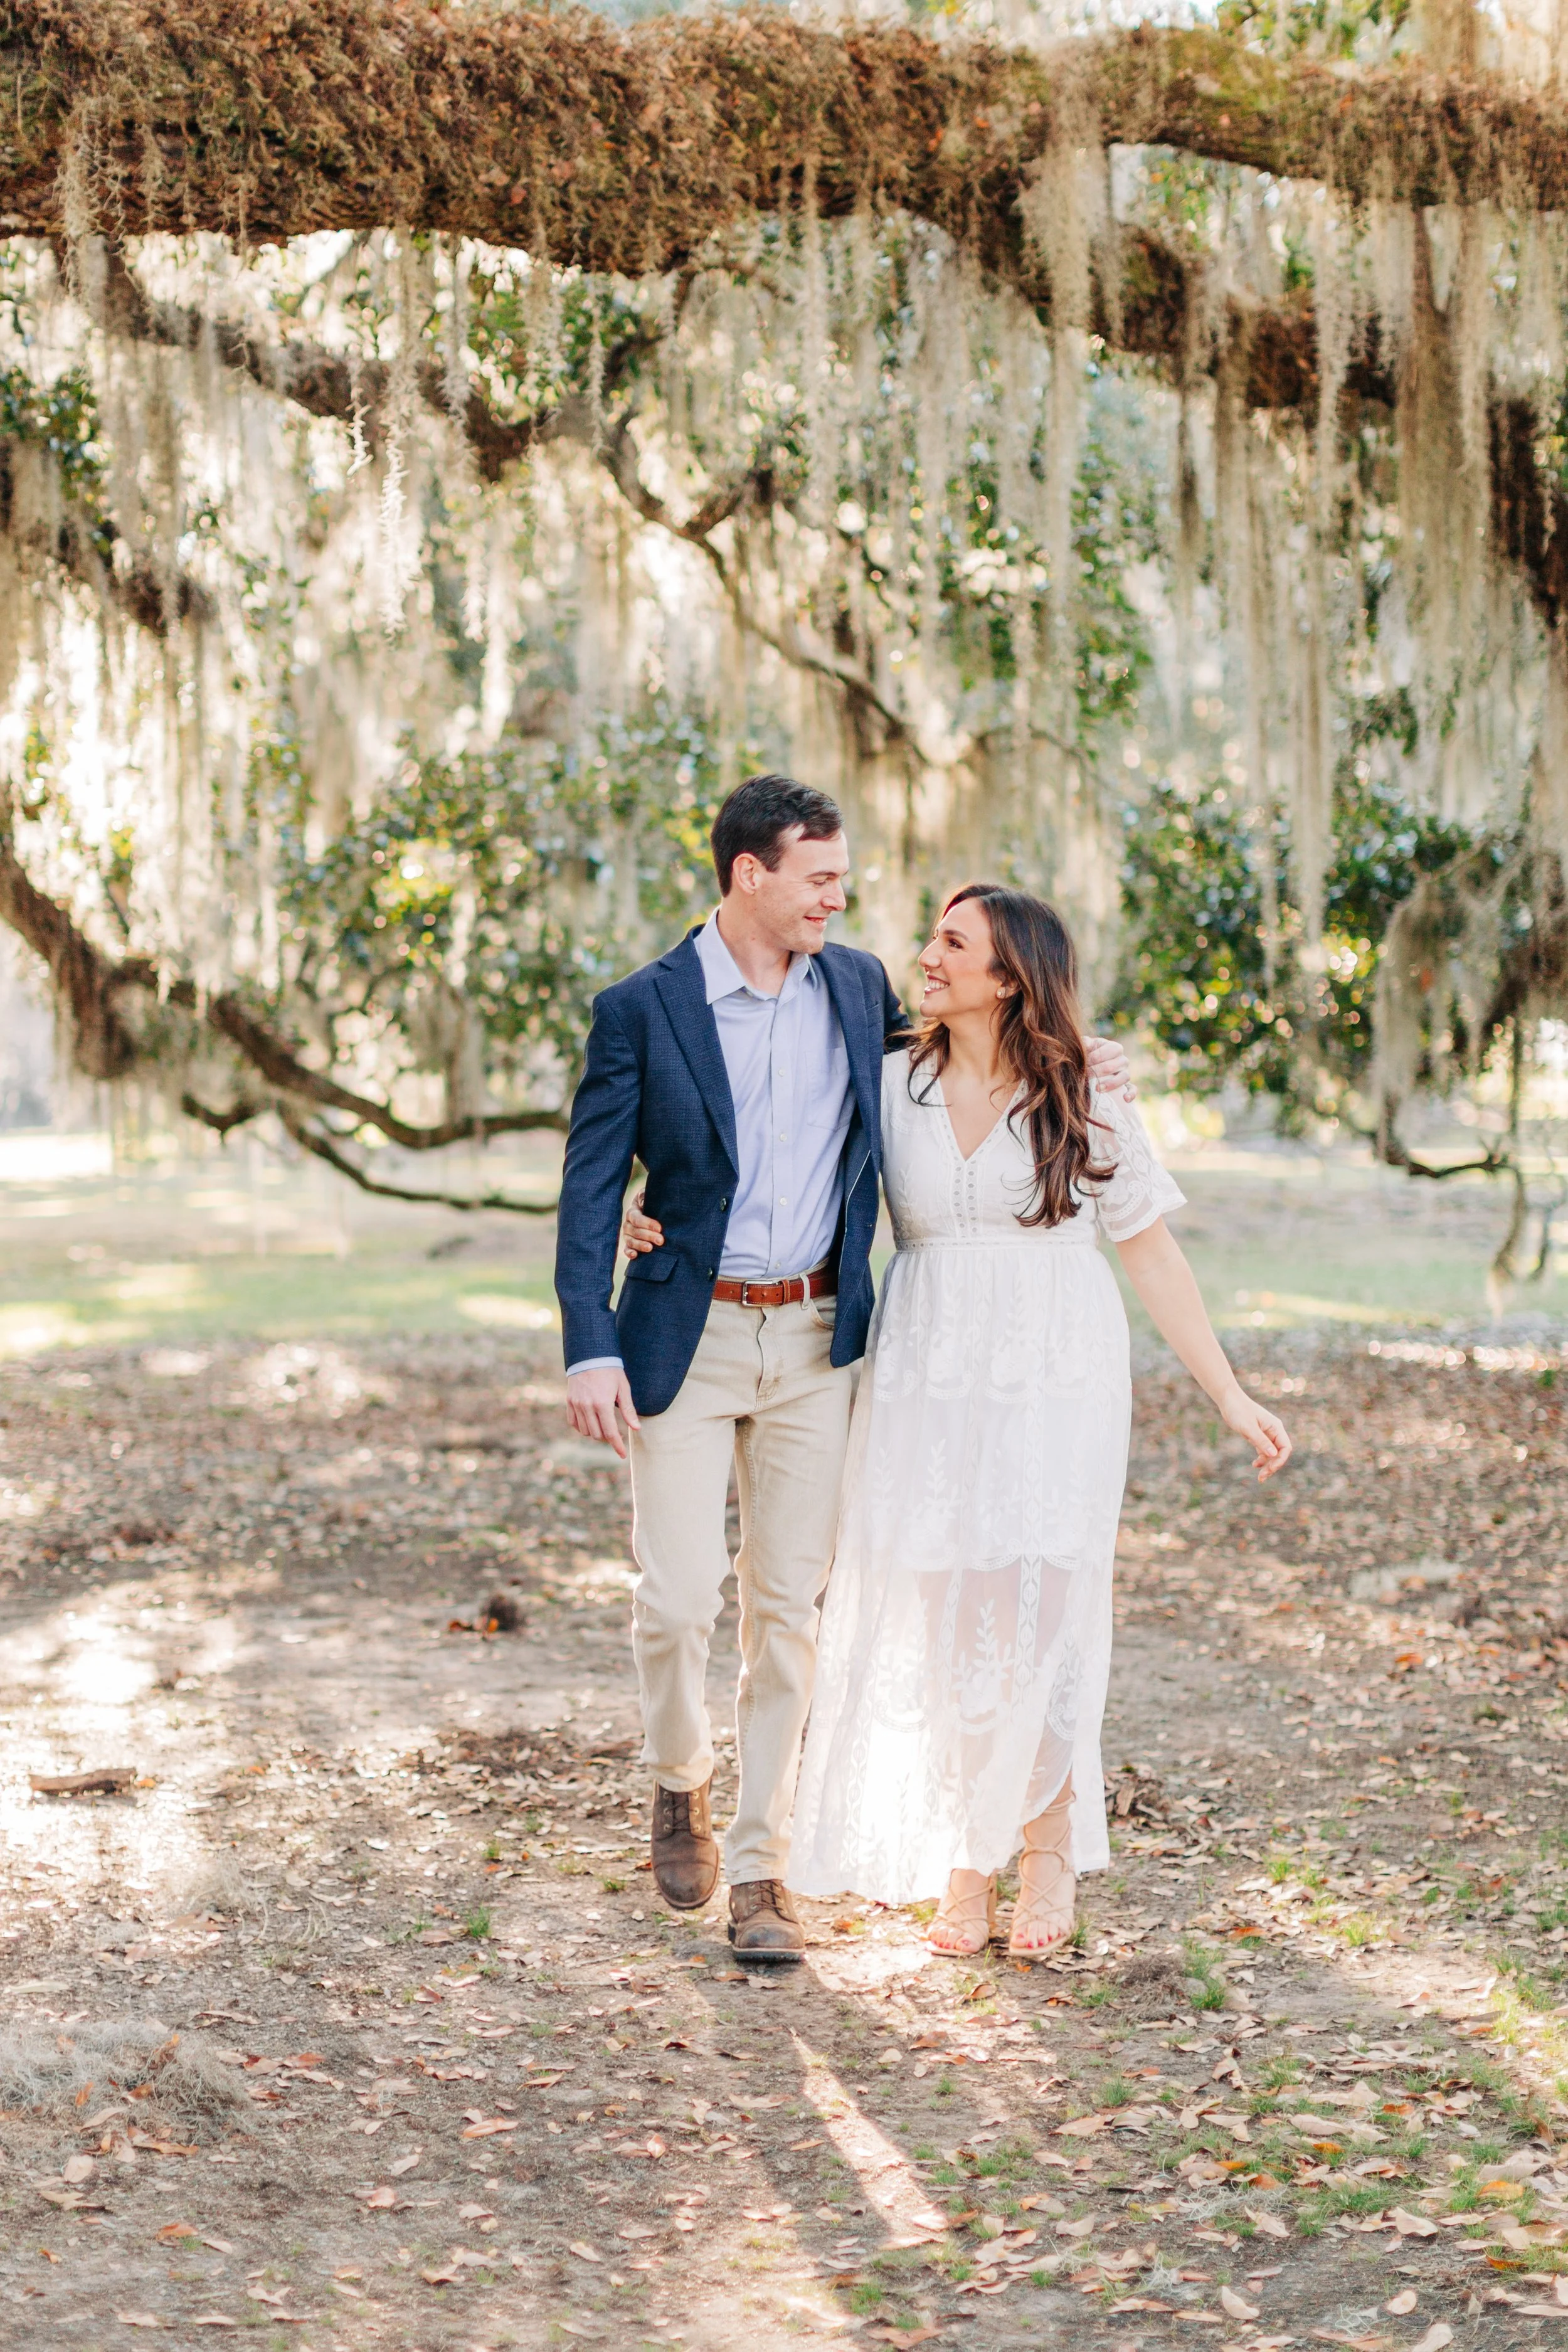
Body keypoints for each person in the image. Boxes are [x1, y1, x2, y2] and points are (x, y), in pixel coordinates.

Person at [554, 778, 1130, 1961]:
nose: (841, 898)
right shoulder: (642, 1010)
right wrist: (590, 1336)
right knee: (675, 1602)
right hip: (686, 1335)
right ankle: (681, 1777)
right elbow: (588, 1182)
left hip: (819, 1338)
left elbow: (977, 1060)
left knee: (788, 1614)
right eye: (820, 878)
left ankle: (761, 1872)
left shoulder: (858, 987)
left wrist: (1082, 1053)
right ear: (748, 875)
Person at [784, 884, 1291, 1957]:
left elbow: (1149, 1246)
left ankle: (1049, 1842)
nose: (925, 955)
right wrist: (649, 1212)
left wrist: (1229, 1392)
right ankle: (970, 1852)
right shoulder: (892, 1083)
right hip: (926, 1368)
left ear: (1009, 975)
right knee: (948, 1611)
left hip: (1055, 1371)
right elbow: (774, 1153)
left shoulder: (1085, 1094)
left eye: (951, 942)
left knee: (1042, 1613)